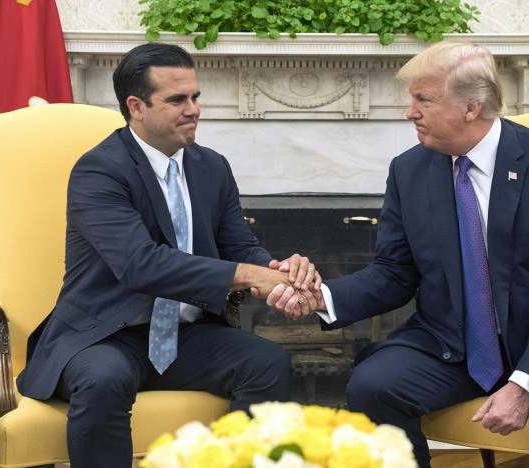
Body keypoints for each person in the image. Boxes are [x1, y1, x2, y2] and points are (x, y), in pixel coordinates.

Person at [269, 41, 529, 467]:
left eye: (423, 100)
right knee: (373, 386)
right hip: (452, 341)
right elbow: (394, 273)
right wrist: (323, 297)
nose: (410, 112)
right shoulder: (409, 170)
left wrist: (523, 383)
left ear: (471, 108)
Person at [16, 42, 320, 468]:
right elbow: (140, 264)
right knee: (104, 379)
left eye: (195, 97)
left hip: (185, 336)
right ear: (136, 106)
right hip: (105, 333)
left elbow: (239, 247)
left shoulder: (212, 166)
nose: (193, 108)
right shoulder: (98, 170)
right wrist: (251, 273)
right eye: (177, 99)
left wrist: (278, 273)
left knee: (267, 362)